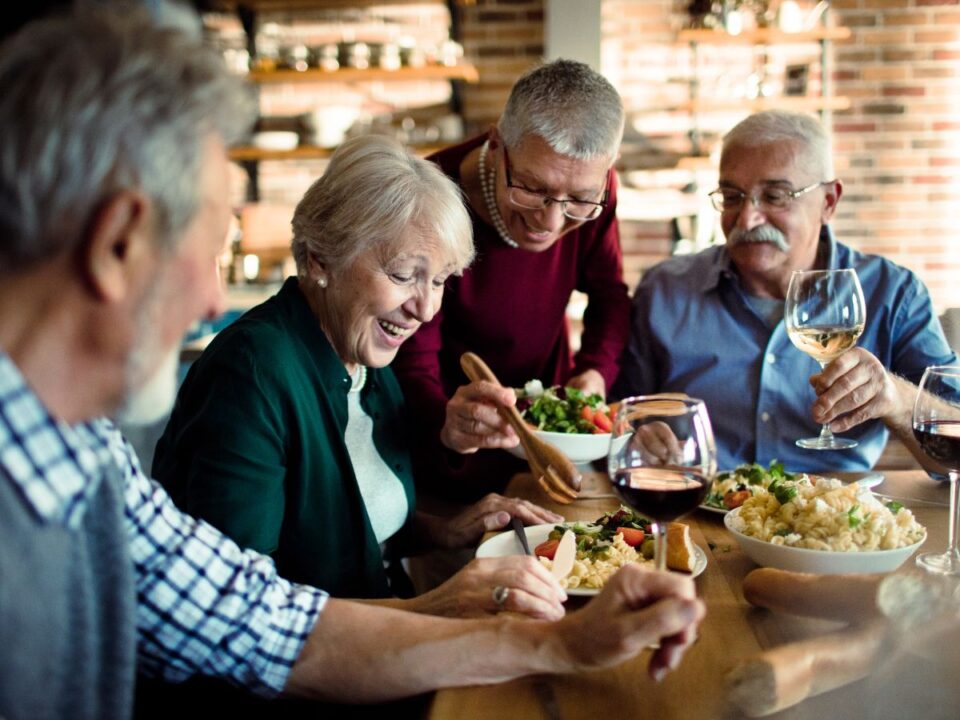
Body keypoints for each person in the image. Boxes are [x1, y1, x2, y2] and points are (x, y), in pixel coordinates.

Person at [0, 10, 704, 719]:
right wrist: (452, 609)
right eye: (208, 251)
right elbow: (247, 651)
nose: (213, 297)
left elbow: (252, 617)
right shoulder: (253, 370)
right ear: (117, 242)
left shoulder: (85, 452)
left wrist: (474, 561)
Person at [152, 134, 568, 621]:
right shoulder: (251, 373)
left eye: (438, 281)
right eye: (402, 275)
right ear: (320, 259)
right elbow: (234, 613)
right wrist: (437, 608)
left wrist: (446, 530)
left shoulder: (363, 358)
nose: (426, 309)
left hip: (378, 647)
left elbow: (352, 522)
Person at [614, 110, 958, 473]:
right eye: (732, 197)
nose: (747, 219)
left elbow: (954, 454)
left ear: (829, 202)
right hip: (697, 515)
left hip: (834, 519)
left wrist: (898, 400)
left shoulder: (893, 294)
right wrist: (637, 436)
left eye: (775, 196)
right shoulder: (664, 290)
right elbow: (617, 418)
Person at [392, 59, 631, 502]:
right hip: (444, 448)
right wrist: (447, 421)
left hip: (552, 449)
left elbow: (609, 296)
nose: (552, 221)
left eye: (579, 199)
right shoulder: (429, 199)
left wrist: (596, 369)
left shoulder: (598, 188)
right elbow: (411, 357)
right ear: (498, 143)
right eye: (531, 189)